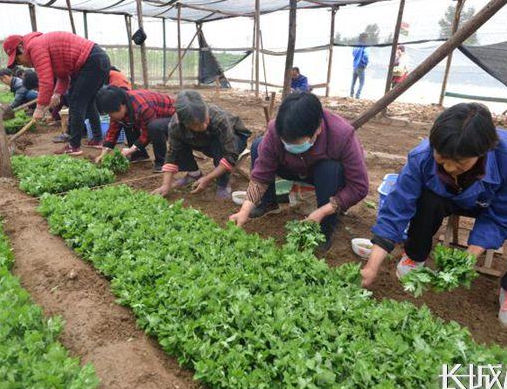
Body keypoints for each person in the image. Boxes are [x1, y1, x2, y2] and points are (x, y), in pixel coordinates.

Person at [361, 103, 507, 333]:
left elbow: (504, 214)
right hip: (447, 197)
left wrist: (468, 257)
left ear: (483, 152)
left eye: (460, 162)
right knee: (425, 196)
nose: (450, 167)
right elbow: (397, 208)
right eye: (442, 159)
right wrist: (372, 266)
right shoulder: (422, 157)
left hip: (492, 201)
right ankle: (414, 256)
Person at [229, 92, 369, 251]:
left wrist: (322, 211)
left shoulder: (342, 135)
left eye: (296, 144)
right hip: (291, 168)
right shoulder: (276, 130)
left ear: (317, 129)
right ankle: (267, 203)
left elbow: (359, 187)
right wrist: (244, 210)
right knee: (258, 145)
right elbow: (261, 175)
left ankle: (325, 228)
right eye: (286, 143)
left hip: (322, 176)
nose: (291, 148)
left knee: (330, 168)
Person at [2, 31, 110, 156]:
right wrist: (57, 94)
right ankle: (97, 139)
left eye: (18, 61)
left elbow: (46, 81)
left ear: (21, 48)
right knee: (88, 102)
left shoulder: (35, 47)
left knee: (76, 102)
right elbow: (62, 76)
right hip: (96, 60)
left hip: (91, 61)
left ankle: (74, 146)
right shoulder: (39, 44)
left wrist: (40, 108)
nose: (22, 64)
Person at [152, 90, 250, 200]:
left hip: (234, 139)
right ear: (185, 123)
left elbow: (230, 154)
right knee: (178, 143)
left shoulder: (219, 118)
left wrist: (208, 178)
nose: (203, 126)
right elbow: (172, 154)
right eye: (196, 125)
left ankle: (223, 183)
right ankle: (194, 174)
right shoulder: (176, 126)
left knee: (218, 145)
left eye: (205, 120)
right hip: (204, 141)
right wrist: (165, 185)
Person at [94, 86, 175, 171]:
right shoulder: (123, 106)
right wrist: (103, 154)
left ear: (122, 105)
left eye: (111, 113)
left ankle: (161, 162)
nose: (111, 116)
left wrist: (130, 150)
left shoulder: (143, 107)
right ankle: (139, 156)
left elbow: (147, 133)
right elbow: (113, 130)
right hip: (155, 120)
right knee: (126, 122)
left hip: (174, 120)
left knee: (154, 127)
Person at [350, 33, 369, 99]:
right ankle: (357, 95)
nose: (367, 39)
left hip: (355, 66)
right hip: (361, 66)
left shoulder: (356, 45)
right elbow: (366, 56)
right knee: (362, 82)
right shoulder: (364, 46)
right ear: (364, 38)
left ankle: (351, 94)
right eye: (366, 38)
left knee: (353, 81)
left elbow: (353, 53)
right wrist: (365, 64)